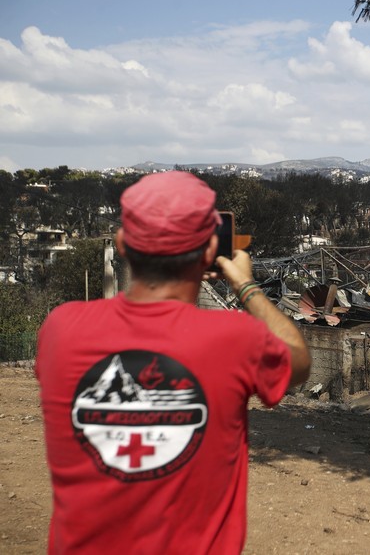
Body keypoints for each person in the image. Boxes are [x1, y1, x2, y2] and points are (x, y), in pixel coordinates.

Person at [36, 171, 311, 554]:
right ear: (208, 251)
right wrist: (245, 286)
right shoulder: (235, 339)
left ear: (121, 244)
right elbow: (298, 360)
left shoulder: (60, 330)